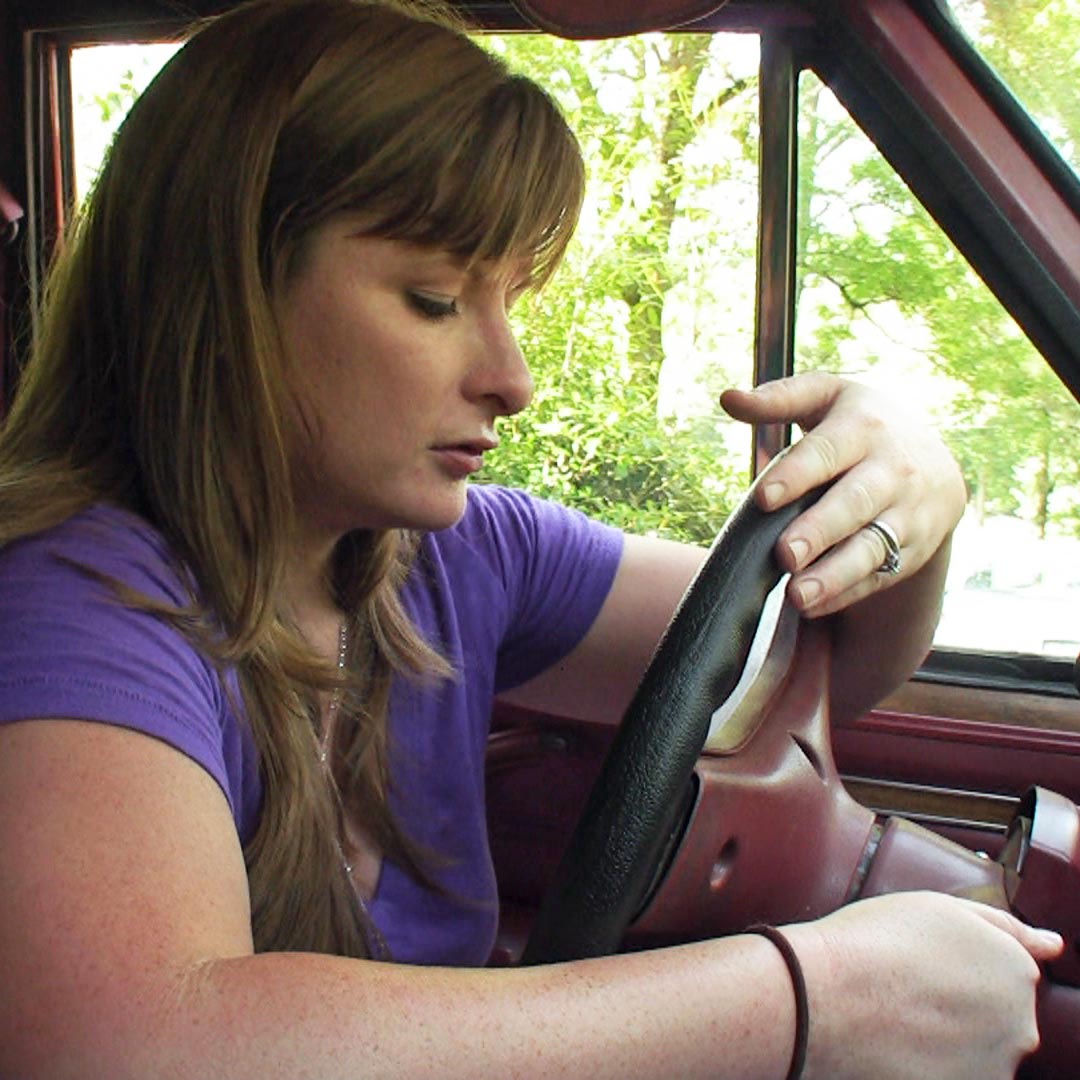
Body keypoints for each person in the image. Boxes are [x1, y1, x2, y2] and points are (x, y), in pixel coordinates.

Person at [0, 0, 1061, 1076]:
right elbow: (132, 1041)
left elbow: (813, 662)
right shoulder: (73, 602)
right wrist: (804, 1001)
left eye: (509, 299)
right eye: (434, 298)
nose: (512, 378)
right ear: (226, 290)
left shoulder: (458, 558)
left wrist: (914, 492)